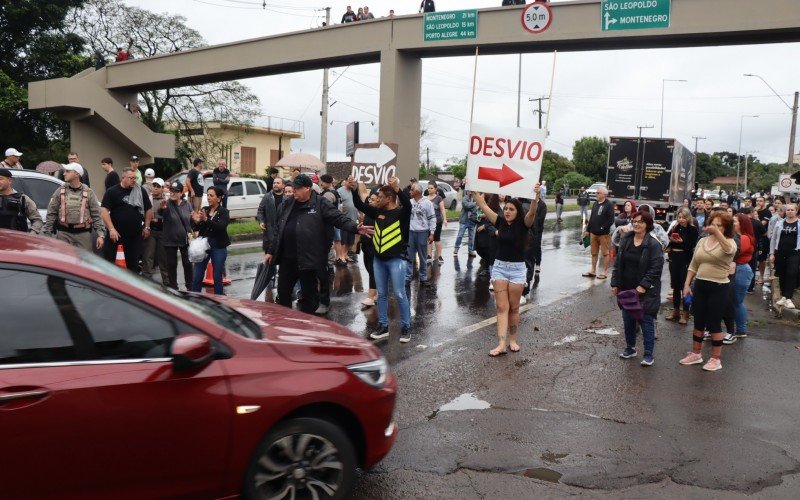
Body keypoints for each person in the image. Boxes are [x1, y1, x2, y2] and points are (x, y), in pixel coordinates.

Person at [266, 175, 372, 314]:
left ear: (308, 188)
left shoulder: (321, 203)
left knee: (309, 298)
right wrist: (271, 251)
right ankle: (287, 325)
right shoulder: (287, 204)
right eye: (293, 188)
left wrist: (355, 227)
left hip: (308, 259)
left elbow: (338, 218)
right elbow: (278, 230)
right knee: (283, 293)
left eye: (297, 189)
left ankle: (308, 326)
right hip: (288, 259)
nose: (294, 191)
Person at [473, 185, 540, 356]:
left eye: (511, 209)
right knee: (502, 308)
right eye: (506, 209)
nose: (507, 211)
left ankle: (513, 340)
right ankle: (501, 344)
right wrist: (473, 188)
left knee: (514, 308)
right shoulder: (500, 222)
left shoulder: (525, 224)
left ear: (518, 211)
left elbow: (532, 212)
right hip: (500, 268)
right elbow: (483, 206)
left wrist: (535, 196)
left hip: (517, 270)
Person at [350, 176, 412, 342]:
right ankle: (383, 326)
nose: (377, 200)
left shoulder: (401, 213)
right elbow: (359, 205)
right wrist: (355, 189)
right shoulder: (377, 211)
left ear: (390, 198)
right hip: (379, 260)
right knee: (382, 294)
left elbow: (408, 204)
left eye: (381, 197)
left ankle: (406, 327)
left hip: (396, 260)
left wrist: (397, 188)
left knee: (399, 294)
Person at [679, 211, 736, 372]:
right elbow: (694, 264)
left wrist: (717, 233)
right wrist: (687, 284)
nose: (716, 228)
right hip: (701, 285)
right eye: (713, 224)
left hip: (719, 287)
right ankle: (696, 354)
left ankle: (715, 359)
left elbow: (729, 251)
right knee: (698, 321)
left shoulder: (730, 242)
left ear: (726, 228)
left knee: (714, 323)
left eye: (720, 226)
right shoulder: (702, 241)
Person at [611, 209, 664, 366]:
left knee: (646, 321)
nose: (636, 224)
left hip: (646, 291)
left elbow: (656, 268)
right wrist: (615, 282)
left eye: (640, 221)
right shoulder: (626, 239)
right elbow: (618, 263)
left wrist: (643, 285)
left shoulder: (653, 244)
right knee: (628, 320)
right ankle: (630, 348)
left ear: (648, 224)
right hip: (626, 288)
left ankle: (648, 354)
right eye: (634, 221)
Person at [42, 163, 105, 251]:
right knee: (63, 261)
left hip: (83, 234)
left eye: (67, 171)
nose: (64, 174)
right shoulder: (60, 191)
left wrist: (100, 235)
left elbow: (96, 214)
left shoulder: (88, 192)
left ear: (77, 174)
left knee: (84, 261)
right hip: (63, 234)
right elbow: (51, 213)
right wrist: (47, 233)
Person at [100, 168, 153, 272]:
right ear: (123, 178)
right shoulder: (112, 191)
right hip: (116, 235)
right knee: (110, 265)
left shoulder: (140, 190)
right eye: (131, 178)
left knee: (132, 266)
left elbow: (148, 209)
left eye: (135, 178)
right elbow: (104, 210)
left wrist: (147, 226)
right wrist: (111, 229)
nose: (134, 180)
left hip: (134, 236)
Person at [191, 186, 230, 295]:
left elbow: (221, 228)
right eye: (207, 195)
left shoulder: (224, 212)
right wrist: (196, 222)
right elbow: (197, 228)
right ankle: (195, 299)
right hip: (203, 245)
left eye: (211, 195)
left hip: (218, 245)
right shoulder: (205, 209)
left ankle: (219, 300)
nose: (208, 197)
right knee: (197, 275)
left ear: (218, 198)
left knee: (217, 275)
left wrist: (206, 220)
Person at [664, 207, 699, 325]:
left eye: (684, 217)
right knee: (675, 286)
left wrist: (681, 242)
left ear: (688, 217)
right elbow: (669, 238)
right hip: (674, 258)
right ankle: (675, 311)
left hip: (685, 259)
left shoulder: (692, 229)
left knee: (685, 286)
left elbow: (691, 246)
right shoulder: (676, 227)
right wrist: (670, 243)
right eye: (679, 217)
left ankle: (685, 313)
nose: (681, 220)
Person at [161, 181, 193, 290]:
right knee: (171, 264)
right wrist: (163, 208)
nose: (173, 193)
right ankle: (174, 288)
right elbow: (162, 214)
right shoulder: (167, 203)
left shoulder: (187, 204)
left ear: (181, 193)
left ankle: (190, 287)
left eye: (176, 191)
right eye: (171, 191)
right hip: (170, 239)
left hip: (185, 239)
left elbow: (191, 220)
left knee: (187, 263)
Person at [770, 204, 800, 309]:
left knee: (792, 273)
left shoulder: (799, 223)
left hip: (795, 253)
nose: (790, 211)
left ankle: (788, 298)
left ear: (796, 211)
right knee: (781, 274)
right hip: (780, 252)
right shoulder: (779, 223)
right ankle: (783, 297)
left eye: (792, 210)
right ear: (785, 211)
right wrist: (772, 253)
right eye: (788, 210)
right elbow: (773, 239)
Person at [406, 183, 436, 286]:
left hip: (422, 232)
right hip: (410, 232)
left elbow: (432, 218)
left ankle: (423, 278)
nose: (410, 192)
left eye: (411, 190)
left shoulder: (427, 203)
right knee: (409, 256)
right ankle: (407, 277)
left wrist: (432, 233)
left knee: (422, 256)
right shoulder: (409, 202)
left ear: (417, 192)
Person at [732, 214, 756, 336]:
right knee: (734, 302)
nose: (732, 222)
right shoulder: (738, 236)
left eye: (734, 221)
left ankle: (741, 330)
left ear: (742, 224)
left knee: (737, 302)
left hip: (741, 270)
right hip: (738, 269)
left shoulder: (745, 238)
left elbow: (733, 253)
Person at [583, 186, 614, 279]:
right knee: (594, 253)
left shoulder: (609, 205)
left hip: (604, 234)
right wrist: (588, 230)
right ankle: (593, 270)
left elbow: (611, 220)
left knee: (605, 253)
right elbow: (592, 217)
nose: (596, 194)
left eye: (598, 193)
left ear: (604, 195)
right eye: (596, 193)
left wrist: (602, 228)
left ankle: (604, 272)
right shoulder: (595, 203)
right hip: (593, 233)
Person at [141, 178, 169, 282]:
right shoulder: (147, 198)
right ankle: (146, 279)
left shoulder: (168, 199)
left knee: (163, 257)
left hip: (164, 230)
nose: (155, 188)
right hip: (151, 229)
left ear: (163, 188)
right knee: (148, 255)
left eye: (158, 187)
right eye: (154, 186)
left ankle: (167, 281)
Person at [0, 168, 42, 233]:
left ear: (9, 180)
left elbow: (37, 220)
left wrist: (32, 234)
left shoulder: (22, 199)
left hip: (16, 240)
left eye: (0, 179)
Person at [358, 189, 379, 307]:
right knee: (369, 268)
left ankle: (371, 296)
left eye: (374, 200)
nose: (370, 202)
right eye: (370, 199)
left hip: (374, 245)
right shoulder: (368, 211)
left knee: (373, 270)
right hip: (366, 244)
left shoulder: (379, 213)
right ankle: (376, 292)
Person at [524, 193, 547, 286]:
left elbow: (541, 218)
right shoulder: (529, 203)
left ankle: (538, 264)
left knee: (537, 246)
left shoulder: (542, 205)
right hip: (530, 229)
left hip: (538, 230)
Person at [336, 176, 359, 265]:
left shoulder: (354, 191)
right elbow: (338, 204)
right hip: (344, 220)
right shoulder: (340, 191)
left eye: (353, 182)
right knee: (343, 240)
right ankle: (341, 255)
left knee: (350, 241)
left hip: (353, 219)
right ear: (345, 181)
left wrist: (360, 214)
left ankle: (345, 254)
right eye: (349, 182)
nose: (351, 183)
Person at [475, 194, 499, 277]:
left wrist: (485, 225)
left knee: (487, 250)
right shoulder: (479, 207)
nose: (480, 197)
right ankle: (487, 264)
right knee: (479, 248)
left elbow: (494, 218)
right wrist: (477, 217)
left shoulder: (491, 207)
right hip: (479, 232)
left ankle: (488, 269)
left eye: (482, 196)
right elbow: (474, 216)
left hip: (487, 232)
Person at [426, 181, 447, 264]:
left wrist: (445, 219)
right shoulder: (425, 198)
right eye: (428, 188)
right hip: (427, 222)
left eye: (431, 188)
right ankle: (429, 255)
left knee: (437, 239)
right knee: (429, 239)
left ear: (435, 189)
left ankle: (439, 256)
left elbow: (442, 209)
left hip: (437, 221)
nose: (429, 189)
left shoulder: (439, 198)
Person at [454, 189, 478, 256]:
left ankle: (470, 250)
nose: (470, 191)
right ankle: (456, 248)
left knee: (471, 237)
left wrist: (474, 206)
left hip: (473, 220)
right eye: (469, 190)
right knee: (460, 235)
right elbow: (466, 205)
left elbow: (477, 208)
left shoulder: (477, 198)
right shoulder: (465, 197)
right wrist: (475, 204)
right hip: (464, 220)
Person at [754, 196, 771, 284]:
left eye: (761, 201)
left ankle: (761, 276)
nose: (758, 202)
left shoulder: (767, 212)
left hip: (763, 238)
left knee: (761, 258)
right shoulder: (753, 211)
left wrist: (755, 216)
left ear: (764, 202)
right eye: (757, 201)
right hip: (753, 237)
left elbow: (761, 225)